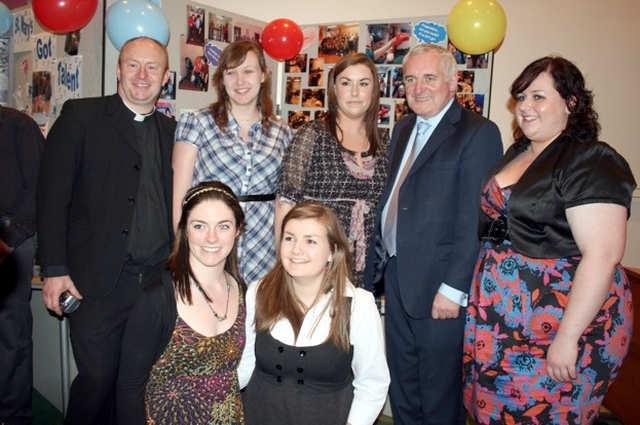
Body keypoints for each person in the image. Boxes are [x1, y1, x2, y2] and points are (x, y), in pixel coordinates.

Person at [463, 56, 636, 425]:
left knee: (547, 414)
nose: (525, 107)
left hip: (558, 320)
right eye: (521, 97)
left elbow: (602, 256)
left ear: (571, 103)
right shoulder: (519, 153)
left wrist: (567, 338)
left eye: (538, 97)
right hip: (500, 322)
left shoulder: (591, 160)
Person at [36, 36, 176, 425]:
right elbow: (51, 199)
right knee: (98, 378)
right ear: (118, 69)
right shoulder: (81, 117)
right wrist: (54, 270)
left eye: (152, 67)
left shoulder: (172, 131)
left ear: (165, 77)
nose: (142, 75)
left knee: (137, 382)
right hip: (95, 280)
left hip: (154, 281)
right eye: (133, 65)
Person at [364, 43, 503, 424]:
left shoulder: (478, 133)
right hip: (397, 278)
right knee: (404, 385)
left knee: (439, 394)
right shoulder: (404, 127)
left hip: (440, 287)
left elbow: (476, 220)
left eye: (429, 78)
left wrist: (453, 288)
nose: (418, 87)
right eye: (410, 79)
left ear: (452, 81)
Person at [239, 201, 390, 425]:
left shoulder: (359, 304)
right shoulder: (258, 292)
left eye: (310, 241)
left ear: (332, 251)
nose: (296, 249)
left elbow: (372, 384)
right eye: (289, 238)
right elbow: (245, 366)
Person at [117, 181, 247, 424]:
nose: (211, 238)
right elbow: (129, 389)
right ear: (185, 229)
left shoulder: (242, 293)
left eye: (223, 226)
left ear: (238, 229)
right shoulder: (157, 299)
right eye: (200, 226)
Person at [173, 40, 291, 284]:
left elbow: (283, 202)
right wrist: (181, 252)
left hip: (263, 251)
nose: (240, 81)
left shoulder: (283, 133)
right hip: (210, 245)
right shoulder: (197, 123)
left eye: (248, 71)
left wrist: (284, 256)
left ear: (263, 75)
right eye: (231, 72)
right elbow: (180, 196)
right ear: (222, 78)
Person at [276, 53, 389, 287]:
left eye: (363, 84)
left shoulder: (385, 143)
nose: (355, 92)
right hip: (314, 262)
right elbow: (285, 203)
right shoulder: (313, 135)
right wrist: (285, 262)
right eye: (346, 83)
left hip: (365, 265)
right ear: (335, 89)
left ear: (374, 90)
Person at [0, 106, 45, 425]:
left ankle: (13, 415)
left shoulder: (18, 125)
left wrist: (7, 240)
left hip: (12, 236)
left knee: (9, 330)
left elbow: (40, 187)